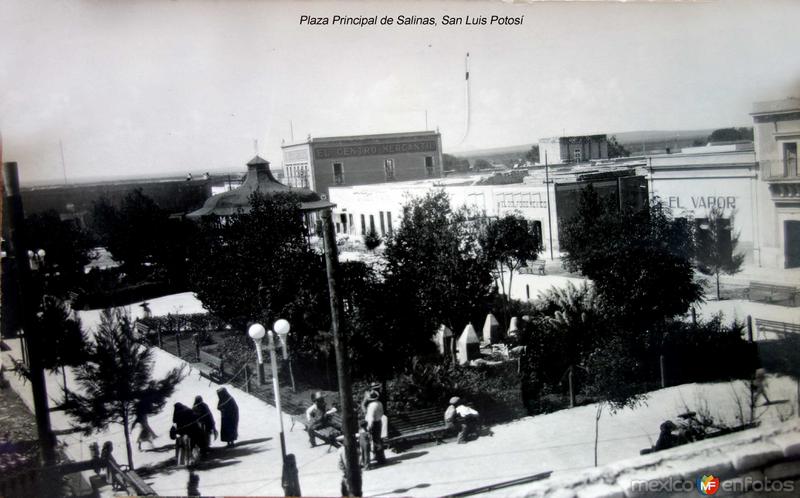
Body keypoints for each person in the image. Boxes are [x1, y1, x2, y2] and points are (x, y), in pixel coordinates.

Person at [364, 390, 386, 464]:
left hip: (374, 424)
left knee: (375, 441)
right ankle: (380, 456)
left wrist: (368, 427)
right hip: (379, 422)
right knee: (378, 440)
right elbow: (382, 413)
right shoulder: (379, 403)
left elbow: (371, 418)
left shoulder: (371, 406)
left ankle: (380, 459)